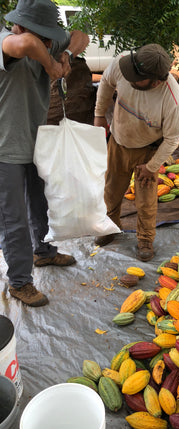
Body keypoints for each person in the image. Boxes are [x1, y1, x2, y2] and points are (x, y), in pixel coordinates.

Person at [0, 0, 89, 307]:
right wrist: (51, 66)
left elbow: (81, 34)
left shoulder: (45, 42)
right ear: (24, 27)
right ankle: (20, 282)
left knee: (40, 203)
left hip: (35, 143)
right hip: (4, 149)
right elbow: (24, 44)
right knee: (14, 220)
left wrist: (66, 54)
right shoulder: (7, 43)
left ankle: (44, 252)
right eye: (47, 39)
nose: (51, 44)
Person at [94, 44, 179, 261]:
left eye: (137, 78)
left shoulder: (173, 101)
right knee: (111, 190)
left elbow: (173, 138)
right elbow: (106, 83)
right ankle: (109, 227)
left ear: (156, 81)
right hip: (118, 142)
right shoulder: (122, 64)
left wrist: (152, 166)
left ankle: (145, 239)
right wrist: (99, 114)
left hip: (149, 151)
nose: (129, 79)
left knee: (145, 200)